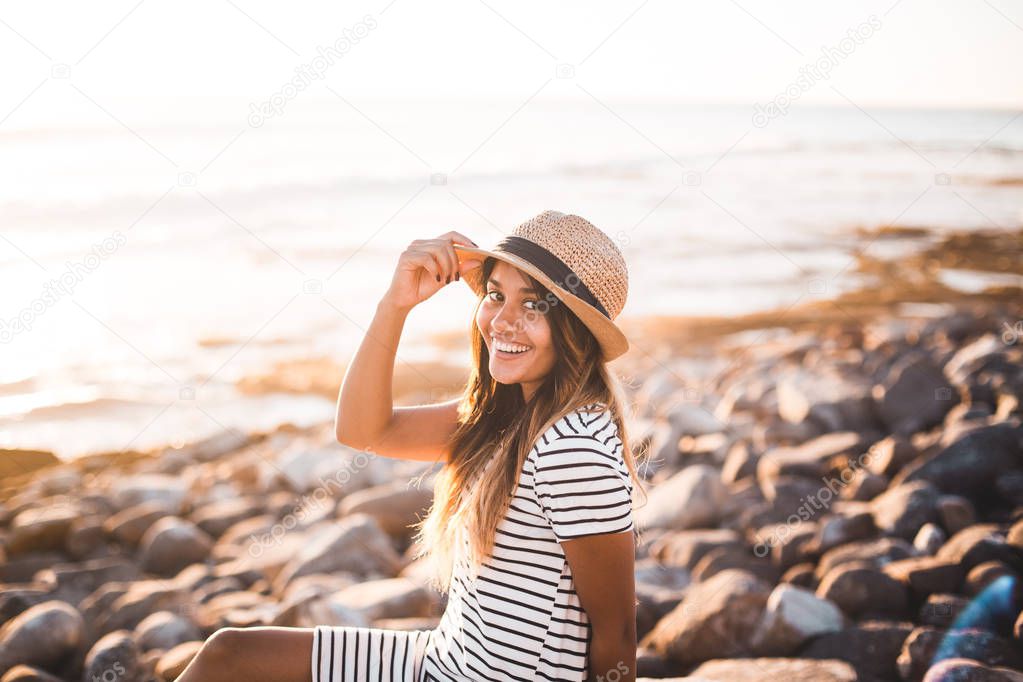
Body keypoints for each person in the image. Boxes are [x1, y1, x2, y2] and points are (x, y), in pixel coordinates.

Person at [174, 209, 647, 682]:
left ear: (574, 332)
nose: (502, 322)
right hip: (443, 657)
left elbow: (618, 632)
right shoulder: (508, 415)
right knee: (231, 654)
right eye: (496, 295)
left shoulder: (573, 449)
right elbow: (363, 430)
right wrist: (395, 304)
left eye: (533, 305)